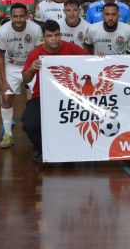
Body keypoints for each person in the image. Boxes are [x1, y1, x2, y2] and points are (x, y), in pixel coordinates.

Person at [22, 20, 86, 162]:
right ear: (43, 37)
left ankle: (74, 149)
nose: (54, 39)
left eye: (57, 35)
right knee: (29, 124)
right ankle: (42, 149)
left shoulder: (72, 49)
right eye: (50, 36)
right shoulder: (36, 53)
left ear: (60, 34)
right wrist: (32, 68)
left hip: (69, 96)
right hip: (42, 95)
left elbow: (88, 62)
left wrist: (100, 58)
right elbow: (25, 80)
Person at [0, 3, 42, 149]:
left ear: (27, 16)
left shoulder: (35, 29)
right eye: (15, 16)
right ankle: (8, 134)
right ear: (10, 16)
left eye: (22, 16)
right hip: (12, 66)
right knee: (7, 96)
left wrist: (33, 68)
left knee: (39, 98)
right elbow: (0, 57)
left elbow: (40, 51)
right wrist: (3, 81)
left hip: (32, 65)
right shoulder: (3, 31)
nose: (19, 19)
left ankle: (40, 132)